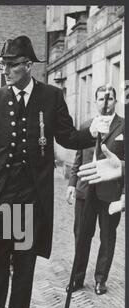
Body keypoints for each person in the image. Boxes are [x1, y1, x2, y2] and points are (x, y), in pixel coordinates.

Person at [0, 35, 96, 308]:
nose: (5, 69)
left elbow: (69, 137)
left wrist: (93, 131)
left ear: (28, 65)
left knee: (24, 268)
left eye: (11, 64)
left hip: (31, 203)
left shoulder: (51, 97)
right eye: (3, 63)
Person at [66, 86, 124, 295]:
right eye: (100, 99)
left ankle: (101, 279)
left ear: (115, 101)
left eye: (108, 99)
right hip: (85, 190)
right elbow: (78, 158)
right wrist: (72, 184)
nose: (105, 103)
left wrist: (124, 194)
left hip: (110, 193)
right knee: (81, 235)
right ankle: (77, 279)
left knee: (107, 237)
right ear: (95, 101)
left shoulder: (124, 126)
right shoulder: (86, 125)